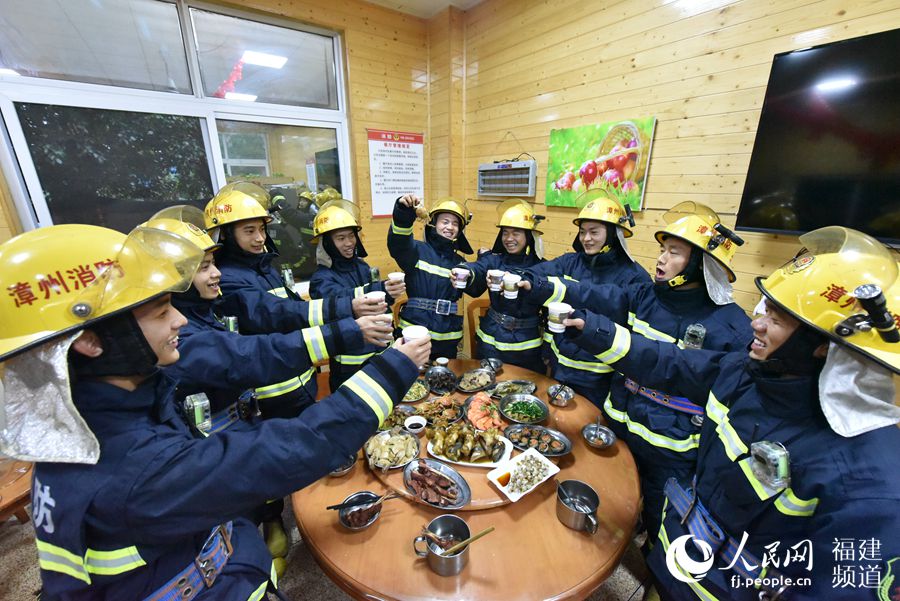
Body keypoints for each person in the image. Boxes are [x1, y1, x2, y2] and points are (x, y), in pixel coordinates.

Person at [0, 223, 429, 600]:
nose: (179, 322)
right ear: (90, 341)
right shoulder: (130, 469)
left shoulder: (85, 426)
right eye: (161, 311)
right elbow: (283, 449)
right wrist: (395, 368)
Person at [562, 226, 900, 601]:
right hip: (677, 567)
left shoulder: (873, 485)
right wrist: (591, 330)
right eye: (764, 307)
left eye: (777, 318)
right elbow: (671, 363)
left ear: (823, 345)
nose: (756, 322)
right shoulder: (754, 373)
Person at [525, 201, 751, 542]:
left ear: (702, 265)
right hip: (621, 423)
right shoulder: (646, 295)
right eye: (663, 250)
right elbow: (593, 293)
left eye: (674, 253)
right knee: (608, 494)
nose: (661, 259)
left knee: (661, 521)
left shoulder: (734, 328)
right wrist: (541, 287)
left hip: (670, 448)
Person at [205, 182, 387, 418]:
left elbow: (296, 309)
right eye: (249, 231)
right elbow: (276, 313)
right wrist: (350, 306)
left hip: (302, 385)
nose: (260, 238)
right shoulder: (227, 279)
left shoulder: (266, 269)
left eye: (262, 229)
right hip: (273, 397)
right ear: (226, 236)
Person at [524, 189, 649, 405]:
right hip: (560, 366)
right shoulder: (570, 262)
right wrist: (520, 277)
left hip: (599, 378)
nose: (586, 239)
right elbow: (538, 272)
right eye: (582, 232)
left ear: (613, 234)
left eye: (594, 232)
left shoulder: (635, 277)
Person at [309, 199, 406, 389]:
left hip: (379, 358)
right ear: (327, 243)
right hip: (349, 369)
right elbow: (341, 301)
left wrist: (390, 293)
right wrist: (379, 288)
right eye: (340, 238)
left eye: (351, 236)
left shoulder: (361, 266)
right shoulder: (321, 279)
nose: (349, 243)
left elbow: (376, 302)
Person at [456, 198, 547, 373]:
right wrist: (466, 271)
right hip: (490, 340)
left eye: (516, 233)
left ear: (529, 236)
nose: (509, 238)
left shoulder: (543, 267)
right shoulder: (494, 259)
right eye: (505, 233)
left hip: (526, 347)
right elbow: (479, 268)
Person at [387, 194, 473, 359]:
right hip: (415, 332)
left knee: (445, 379)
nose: (450, 227)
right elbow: (398, 242)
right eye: (445, 221)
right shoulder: (416, 251)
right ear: (433, 223)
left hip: (448, 337)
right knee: (412, 380)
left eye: (455, 223)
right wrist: (403, 213)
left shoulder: (460, 262)